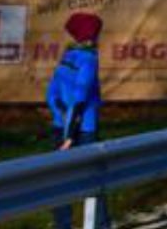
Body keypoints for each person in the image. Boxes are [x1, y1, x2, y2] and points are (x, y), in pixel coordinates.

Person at [48, 12, 111, 229]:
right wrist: (70, 136)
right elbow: (80, 98)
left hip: (59, 127)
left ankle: (62, 225)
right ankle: (101, 225)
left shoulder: (66, 58)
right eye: (98, 33)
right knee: (94, 179)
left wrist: (62, 121)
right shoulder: (89, 60)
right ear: (91, 36)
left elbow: (52, 96)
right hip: (82, 130)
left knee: (60, 182)